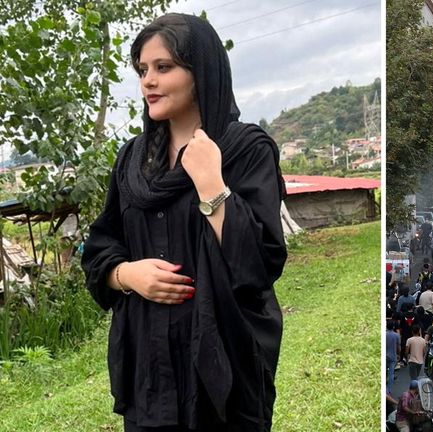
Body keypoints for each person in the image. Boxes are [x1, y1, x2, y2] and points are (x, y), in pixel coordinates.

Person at [81, 14, 287, 431]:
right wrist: (126, 274)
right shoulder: (133, 161)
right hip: (150, 370)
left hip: (222, 364)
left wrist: (211, 183)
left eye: (164, 67)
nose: (148, 82)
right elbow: (101, 248)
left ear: (201, 71)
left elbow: (260, 264)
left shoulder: (244, 150)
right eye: (142, 70)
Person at [386, 320, 401, 396]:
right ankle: (389, 391)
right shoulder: (396, 335)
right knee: (391, 374)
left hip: (385, 356)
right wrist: (399, 354)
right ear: (394, 327)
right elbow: (398, 346)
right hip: (393, 356)